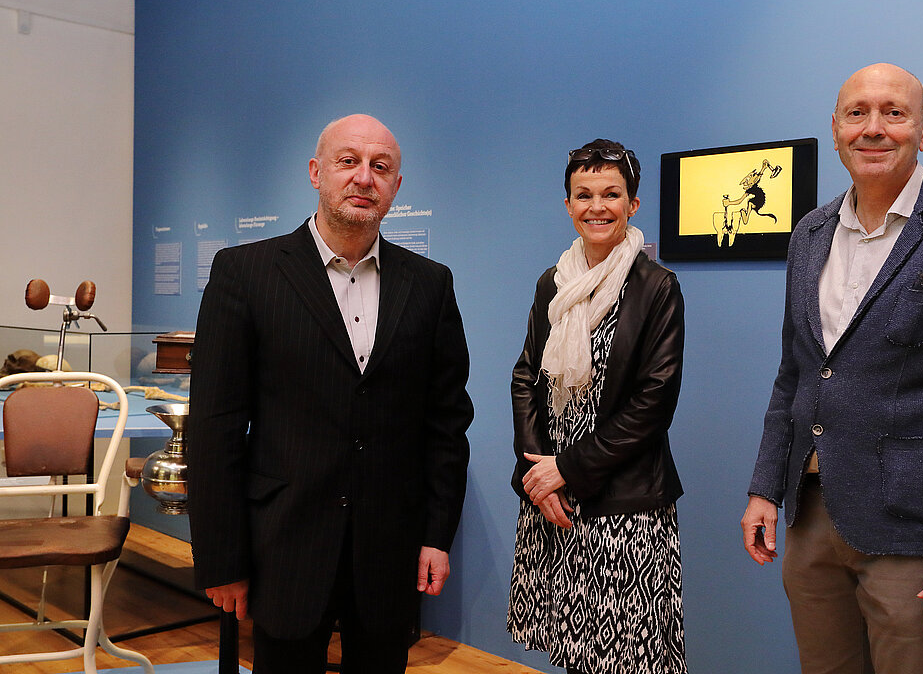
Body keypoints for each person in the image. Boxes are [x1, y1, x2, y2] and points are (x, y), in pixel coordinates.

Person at [740, 64, 923, 673]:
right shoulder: (810, 234)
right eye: (857, 113)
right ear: (836, 129)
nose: (873, 128)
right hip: (811, 514)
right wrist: (765, 487)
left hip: (915, 535)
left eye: (893, 114)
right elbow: (795, 375)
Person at [186, 114, 473, 674]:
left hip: (389, 551)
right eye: (349, 162)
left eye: (381, 167)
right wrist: (222, 558)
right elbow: (215, 427)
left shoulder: (430, 284)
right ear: (317, 173)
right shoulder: (245, 273)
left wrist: (437, 535)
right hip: (285, 544)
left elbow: (445, 423)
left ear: (396, 187)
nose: (364, 177)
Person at [509, 140, 687, 674]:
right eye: (583, 194)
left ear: (633, 204)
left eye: (612, 194)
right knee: (574, 650)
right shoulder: (553, 283)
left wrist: (566, 469)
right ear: (568, 204)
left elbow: (653, 402)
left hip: (625, 506)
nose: (597, 206)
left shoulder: (657, 287)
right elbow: (526, 377)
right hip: (556, 501)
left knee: (628, 658)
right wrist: (538, 468)